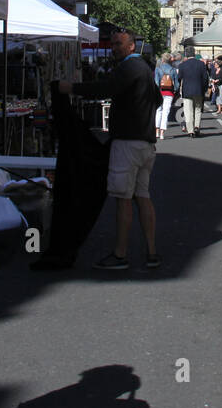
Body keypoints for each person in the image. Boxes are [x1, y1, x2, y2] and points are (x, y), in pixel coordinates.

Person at [60, 29, 162, 270]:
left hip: (127, 142)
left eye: (119, 44)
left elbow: (105, 88)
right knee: (143, 197)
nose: (114, 47)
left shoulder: (128, 67)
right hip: (146, 143)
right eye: (113, 43)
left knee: (123, 199)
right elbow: (157, 99)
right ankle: (151, 252)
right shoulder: (146, 69)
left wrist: (71, 88)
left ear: (131, 47)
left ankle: (120, 254)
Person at [178, 51, 211, 137]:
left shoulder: (182, 65)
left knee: (188, 111)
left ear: (187, 55)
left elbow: (179, 78)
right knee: (198, 109)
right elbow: (205, 78)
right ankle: (196, 126)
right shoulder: (201, 64)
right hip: (198, 90)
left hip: (187, 91)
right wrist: (204, 89)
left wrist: (180, 88)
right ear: (194, 54)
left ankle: (190, 131)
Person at [154, 55, 177, 140]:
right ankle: (162, 133)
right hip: (169, 93)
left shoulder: (158, 69)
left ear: (163, 60)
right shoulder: (173, 70)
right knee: (166, 112)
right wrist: (174, 90)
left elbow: (156, 82)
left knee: (158, 110)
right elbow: (176, 84)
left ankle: (156, 130)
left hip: (160, 92)